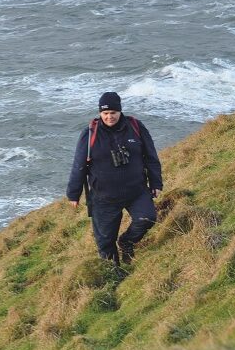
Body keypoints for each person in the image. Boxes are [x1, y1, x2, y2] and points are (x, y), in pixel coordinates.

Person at [66, 92, 163, 265]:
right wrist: (74, 194)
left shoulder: (136, 126)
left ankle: (126, 242)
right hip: (104, 197)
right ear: (100, 113)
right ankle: (114, 273)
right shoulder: (89, 135)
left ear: (120, 111)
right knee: (105, 242)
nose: (109, 117)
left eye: (113, 113)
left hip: (136, 191)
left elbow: (151, 157)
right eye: (105, 113)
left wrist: (156, 182)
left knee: (147, 218)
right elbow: (78, 165)